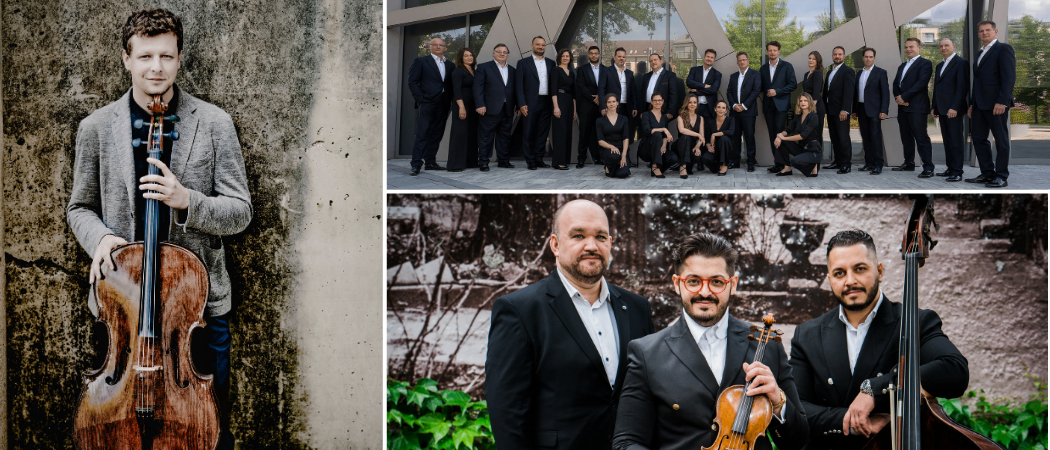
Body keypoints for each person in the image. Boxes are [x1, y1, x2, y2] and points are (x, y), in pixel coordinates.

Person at [66, 9, 251, 449]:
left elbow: (240, 211)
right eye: (145, 55)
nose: (156, 67)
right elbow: (79, 208)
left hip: (197, 315)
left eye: (166, 56)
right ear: (126, 59)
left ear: (180, 58)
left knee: (203, 429)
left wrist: (188, 201)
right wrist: (102, 238)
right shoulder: (95, 128)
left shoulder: (214, 124)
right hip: (123, 311)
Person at [613, 232, 808, 450]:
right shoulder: (646, 353)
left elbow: (799, 440)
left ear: (732, 284)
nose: (704, 292)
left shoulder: (767, 345)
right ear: (678, 284)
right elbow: (627, 442)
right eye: (693, 281)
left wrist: (778, 402)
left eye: (716, 282)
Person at [486, 199, 655, 450]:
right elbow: (507, 412)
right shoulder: (519, 310)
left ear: (610, 243)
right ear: (555, 244)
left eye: (600, 236)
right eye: (578, 235)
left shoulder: (637, 308)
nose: (591, 245)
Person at [789, 229, 970, 450]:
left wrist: (875, 389)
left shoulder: (914, 322)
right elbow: (798, 411)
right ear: (829, 280)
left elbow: (954, 371)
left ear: (880, 271)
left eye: (860, 269)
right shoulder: (806, 335)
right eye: (839, 273)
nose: (850, 281)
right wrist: (856, 421)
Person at [967, 20, 1016, 188]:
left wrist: (1002, 101)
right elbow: (979, 82)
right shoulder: (979, 53)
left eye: (988, 30)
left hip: (997, 104)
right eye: (981, 31)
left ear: (995, 32)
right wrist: (972, 104)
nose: (984, 33)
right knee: (979, 139)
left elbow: (1009, 78)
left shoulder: (1003, 49)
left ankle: (1001, 176)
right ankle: (987, 173)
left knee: (1001, 141)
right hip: (980, 105)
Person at [407, 36, 456, 175]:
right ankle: (416, 164)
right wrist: (421, 99)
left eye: (441, 45)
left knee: (437, 134)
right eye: (435, 44)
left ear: (445, 48)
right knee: (422, 133)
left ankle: (430, 162)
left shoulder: (450, 65)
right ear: (430, 46)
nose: (438, 47)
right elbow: (412, 82)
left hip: (444, 103)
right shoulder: (420, 61)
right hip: (427, 102)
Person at [892, 38, 935, 177]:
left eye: (911, 46)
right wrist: (899, 98)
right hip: (903, 107)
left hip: (917, 107)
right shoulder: (902, 66)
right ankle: (909, 163)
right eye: (906, 47)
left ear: (919, 48)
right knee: (906, 138)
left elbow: (921, 83)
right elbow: (895, 84)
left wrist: (904, 97)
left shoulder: (925, 64)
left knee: (921, 137)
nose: (908, 49)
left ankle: (928, 167)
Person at [474, 43, 517, 171]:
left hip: (507, 108)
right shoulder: (484, 67)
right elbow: (477, 88)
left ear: (507, 54)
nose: (502, 54)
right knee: (486, 136)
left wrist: (518, 106)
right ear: (494, 53)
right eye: (499, 51)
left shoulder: (513, 70)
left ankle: (503, 161)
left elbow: (515, 90)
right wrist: (480, 104)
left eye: (505, 52)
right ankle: (483, 162)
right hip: (489, 108)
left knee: (504, 136)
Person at [931, 38, 969, 182]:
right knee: (947, 140)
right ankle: (950, 168)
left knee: (956, 141)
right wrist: (934, 106)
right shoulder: (940, 65)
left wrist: (955, 107)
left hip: (953, 109)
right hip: (941, 109)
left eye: (946, 45)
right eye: (941, 46)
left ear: (954, 46)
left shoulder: (961, 63)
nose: (943, 48)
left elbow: (961, 88)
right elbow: (937, 88)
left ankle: (957, 171)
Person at [516, 36, 556, 170]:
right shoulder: (523, 63)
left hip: (546, 101)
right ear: (532, 45)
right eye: (538, 44)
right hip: (530, 102)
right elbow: (519, 85)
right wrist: (521, 104)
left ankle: (539, 158)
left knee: (542, 132)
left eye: (543, 45)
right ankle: (530, 160)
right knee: (528, 132)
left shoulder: (551, 63)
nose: (541, 47)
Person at [760, 41, 797, 173]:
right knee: (772, 135)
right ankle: (778, 164)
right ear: (767, 52)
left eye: (774, 50)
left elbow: (793, 85)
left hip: (781, 106)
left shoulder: (787, 66)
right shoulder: (763, 68)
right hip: (768, 106)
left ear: (779, 51)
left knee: (780, 134)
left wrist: (778, 91)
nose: (772, 52)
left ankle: (786, 165)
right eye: (770, 50)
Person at [599, 47, 639, 167]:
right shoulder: (606, 71)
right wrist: (602, 107)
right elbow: (601, 90)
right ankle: (610, 157)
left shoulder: (630, 73)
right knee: (611, 134)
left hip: (626, 107)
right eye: (619, 56)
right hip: (611, 107)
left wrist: (635, 106)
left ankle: (626, 158)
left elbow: (633, 92)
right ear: (614, 57)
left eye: (623, 57)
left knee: (626, 134)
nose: (621, 58)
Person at [852, 48, 889, 175]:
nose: (868, 59)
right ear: (863, 58)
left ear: (874, 58)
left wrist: (884, 110)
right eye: (866, 56)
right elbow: (856, 94)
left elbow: (885, 93)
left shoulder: (880, 72)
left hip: (875, 110)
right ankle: (869, 163)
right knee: (865, 137)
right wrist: (854, 110)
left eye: (870, 57)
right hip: (861, 109)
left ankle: (878, 164)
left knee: (875, 137)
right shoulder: (859, 74)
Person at [822, 46, 856, 174]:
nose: (837, 56)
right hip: (831, 110)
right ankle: (837, 161)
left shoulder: (848, 71)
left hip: (841, 111)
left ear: (844, 56)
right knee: (834, 137)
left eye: (840, 54)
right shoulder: (830, 72)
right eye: (835, 54)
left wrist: (845, 110)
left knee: (843, 138)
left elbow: (849, 92)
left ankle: (846, 164)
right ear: (832, 56)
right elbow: (826, 92)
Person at [774, 93, 823, 177]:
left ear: (810, 102)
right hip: (802, 147)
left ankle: (813, 165)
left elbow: (802, 136)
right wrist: (780, 136)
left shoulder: (814, 117)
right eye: (801, 101)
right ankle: (787, 168)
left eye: (805, 100)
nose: (803, 103)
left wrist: (784, 138)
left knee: (795, 161)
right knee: (781, 142)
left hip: (812, 149)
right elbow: (788, 129)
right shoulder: (798, 116)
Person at [727, 52, 761, 171]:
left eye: (744, 60)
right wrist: (734, 105)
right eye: (740, 60)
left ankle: (751, 162)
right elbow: (729, 92)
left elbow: (756, 91)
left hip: (749, 112)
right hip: (735, 112)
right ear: (737, 63)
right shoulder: (733, 76)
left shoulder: (755, 74)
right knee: (735, 137)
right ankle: (735, 161)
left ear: (748, 61)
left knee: (749, 137)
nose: (742, 62)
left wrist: (744, 105)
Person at [447, 48, 478, 172]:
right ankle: (455, 164)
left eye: (471, 55)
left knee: (471, 133)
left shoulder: (473, 71)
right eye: (466, 56)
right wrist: (461, 107)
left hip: (473, 106)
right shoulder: (458, 71)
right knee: (459, 133)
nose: (469, 57)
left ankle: (470, 162)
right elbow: (457, 91)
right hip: (462, 105)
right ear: (461, 58)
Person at [576, 46, 607, 168]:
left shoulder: (605, 69)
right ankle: (581, 159)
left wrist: (601, 99)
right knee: (584, 133)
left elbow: (607, 86)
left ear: (599, 55)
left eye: (596, 53)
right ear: (588, 55)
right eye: (591, 53)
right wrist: (594, 98)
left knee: (599, 133)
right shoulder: (582, 69)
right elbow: (581, 86)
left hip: (601, 107)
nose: (594, 55)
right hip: (586, 106)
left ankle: (599, 157)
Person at [551, 49, 577, 170]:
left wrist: (575, 110)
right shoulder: (556, 70)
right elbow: (553, 90)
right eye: (563, 56)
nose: (565, 58)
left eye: (567, 56)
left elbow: (574, 93)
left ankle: (565, 160)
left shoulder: (571, 73)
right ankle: (558, 162)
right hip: (559, 100)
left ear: (570, 58)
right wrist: (556, 107)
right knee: (560, 132)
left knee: (567, 132)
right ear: (559, 58)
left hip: (569, 102)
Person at [639, 92, 675, 178]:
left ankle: (655, 169)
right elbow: (647, 130)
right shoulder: (645, 115)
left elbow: (665, 136)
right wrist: (663, 129)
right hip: (646, 148)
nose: (657, 102)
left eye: (659, 100)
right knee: (657, 134)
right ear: (651, 102)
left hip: (659, 147)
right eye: (655, 100)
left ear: (662, 101)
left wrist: (664, 145)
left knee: (673, 158)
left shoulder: (664, 117)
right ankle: (655, 166)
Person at [596, 94, 632, 178]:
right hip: (607, 148)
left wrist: (623, 156)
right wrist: (611, 146)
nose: (611, 104)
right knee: (615, 157)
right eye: (609, 102)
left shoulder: (624, 119)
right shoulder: (600, 121)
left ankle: (614, 167)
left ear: (617, 103)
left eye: (613, 101)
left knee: (623, 174)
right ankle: (609, 166)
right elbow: (600, 141)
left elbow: (626, 138)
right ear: (606, 104)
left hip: (621, 149)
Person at [639, 53, 679, 122]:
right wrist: (642, 112)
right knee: (647, 131)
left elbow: (673, 95)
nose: (653, 62)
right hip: (647, 109)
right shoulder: (646, 76)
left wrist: (670, 112)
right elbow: (642, 95)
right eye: (651, 61)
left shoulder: (670, 76)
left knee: (660, 131)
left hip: (662, 111)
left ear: (661, 61)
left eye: (655, 60)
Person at [686, 49, 722, 124]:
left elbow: (713, 89)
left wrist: (697, 90)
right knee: (692, 130)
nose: (709, 59)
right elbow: (689, 82)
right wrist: (703, 85)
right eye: (708, 56)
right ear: (704, 57)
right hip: (693, 106)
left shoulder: (717, 74)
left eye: (712, 57)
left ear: (714, 60)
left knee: (706, 132)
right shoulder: (694, 70)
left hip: (708, 108)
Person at [801, 51, 825, 158]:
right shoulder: (807, 74)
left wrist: (811, 108)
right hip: (807, 107)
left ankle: (817, 159)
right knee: (808, 133)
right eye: (809, 58)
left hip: (815, 107)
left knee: (816, 133)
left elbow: (816, 93)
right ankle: (808, 157)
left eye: (813, 59)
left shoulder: (817, 73)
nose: (811, 60)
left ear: (817, 61)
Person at [676, 94, 706, 178]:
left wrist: (697, 147)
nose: (692, 104)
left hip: (692, 146)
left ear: (697, 104)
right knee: (685, 137)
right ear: (686, 103)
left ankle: (687, 167)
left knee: (696, 156)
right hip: (681, 145)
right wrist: (697, 134)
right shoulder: (680, 116)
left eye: (694, 102)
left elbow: (702, 137)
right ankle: (682, 166)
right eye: (690, 102)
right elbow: (682, 130)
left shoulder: (700, 118)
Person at [702, 100, 736, 176]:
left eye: (723, 108)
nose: (721, 110)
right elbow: (707, 139)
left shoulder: (731, 120)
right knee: (705, 158)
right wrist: (709, 147)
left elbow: (730, 132)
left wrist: (714, 134)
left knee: (724, 138)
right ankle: (718, 167)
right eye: (719, 107)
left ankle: (724, 164)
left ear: (726, 110)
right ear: (715, 109)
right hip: (716, 149)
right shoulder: (710, 123)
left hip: (728, 148)